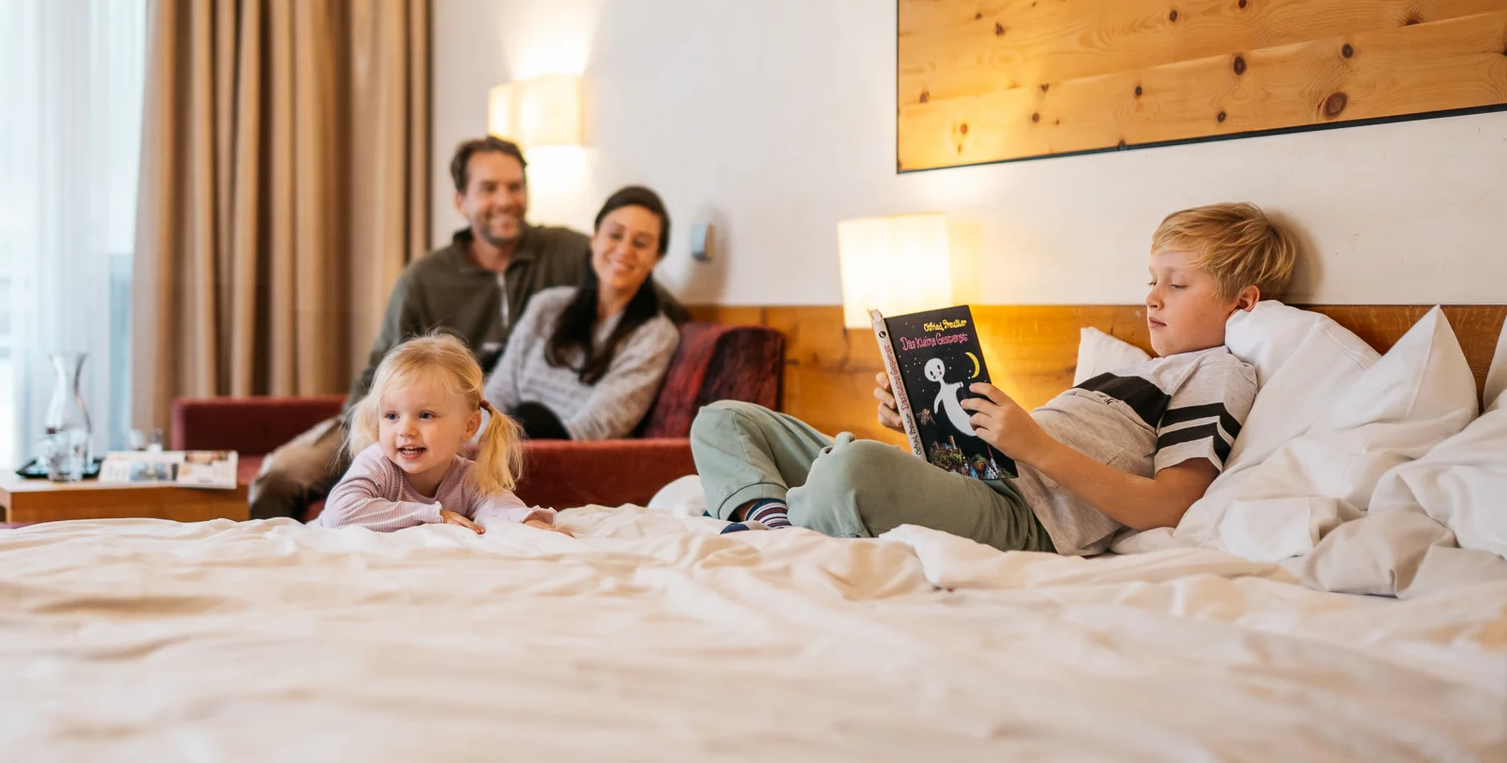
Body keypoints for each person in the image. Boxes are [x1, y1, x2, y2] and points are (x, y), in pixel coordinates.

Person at [690, 203, 1298, 556]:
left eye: (1177, 284)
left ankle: (769, 519)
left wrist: (1035, 444)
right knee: (724, 419)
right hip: (983, 476)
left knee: (851, 470)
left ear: (1243, 303)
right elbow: (999, 456)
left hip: (1029, 517)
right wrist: (920, 423)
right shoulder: (1128, 367)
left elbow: (1172, 504)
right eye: (1151, 280)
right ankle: (779, 523)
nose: (1152, 298)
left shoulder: (1219, 372)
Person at [248, 136, 683, 519]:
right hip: (397, 412)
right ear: (461, 202)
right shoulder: (426, 277)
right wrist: (372, 433)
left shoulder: (564, 250)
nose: (505, 200)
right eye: (489, 188)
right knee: (283, 478)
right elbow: (381, 370)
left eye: (515, 187)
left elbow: (631, 284)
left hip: (470, 426)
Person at [316, 334, 568, 535]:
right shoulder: (377, 464)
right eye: (392, 416)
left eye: (425, 415)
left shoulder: (467, 479)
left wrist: (531, 522)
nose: (405, 430)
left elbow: (500, 507)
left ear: (469, 426)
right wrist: (434, 515)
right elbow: (340, 513)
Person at [483, 186, 681, 441]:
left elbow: (597, 427)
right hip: (500, 447)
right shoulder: (546, 305)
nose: (624, 250)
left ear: (656, 258)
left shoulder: (656, 335)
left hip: (570, 456)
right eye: (615, 235)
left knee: (530, 416)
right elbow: (496, 395)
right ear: (594, 239)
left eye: (640, 243)